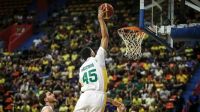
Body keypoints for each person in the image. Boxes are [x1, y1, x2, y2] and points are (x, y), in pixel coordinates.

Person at [74, 7, 111, 112]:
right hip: (98, 96)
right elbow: (105, 37)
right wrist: (101, 19)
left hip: (84, 96)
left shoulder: (81, 68)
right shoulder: (97, 58)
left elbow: (82, 84)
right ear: (91, 53)